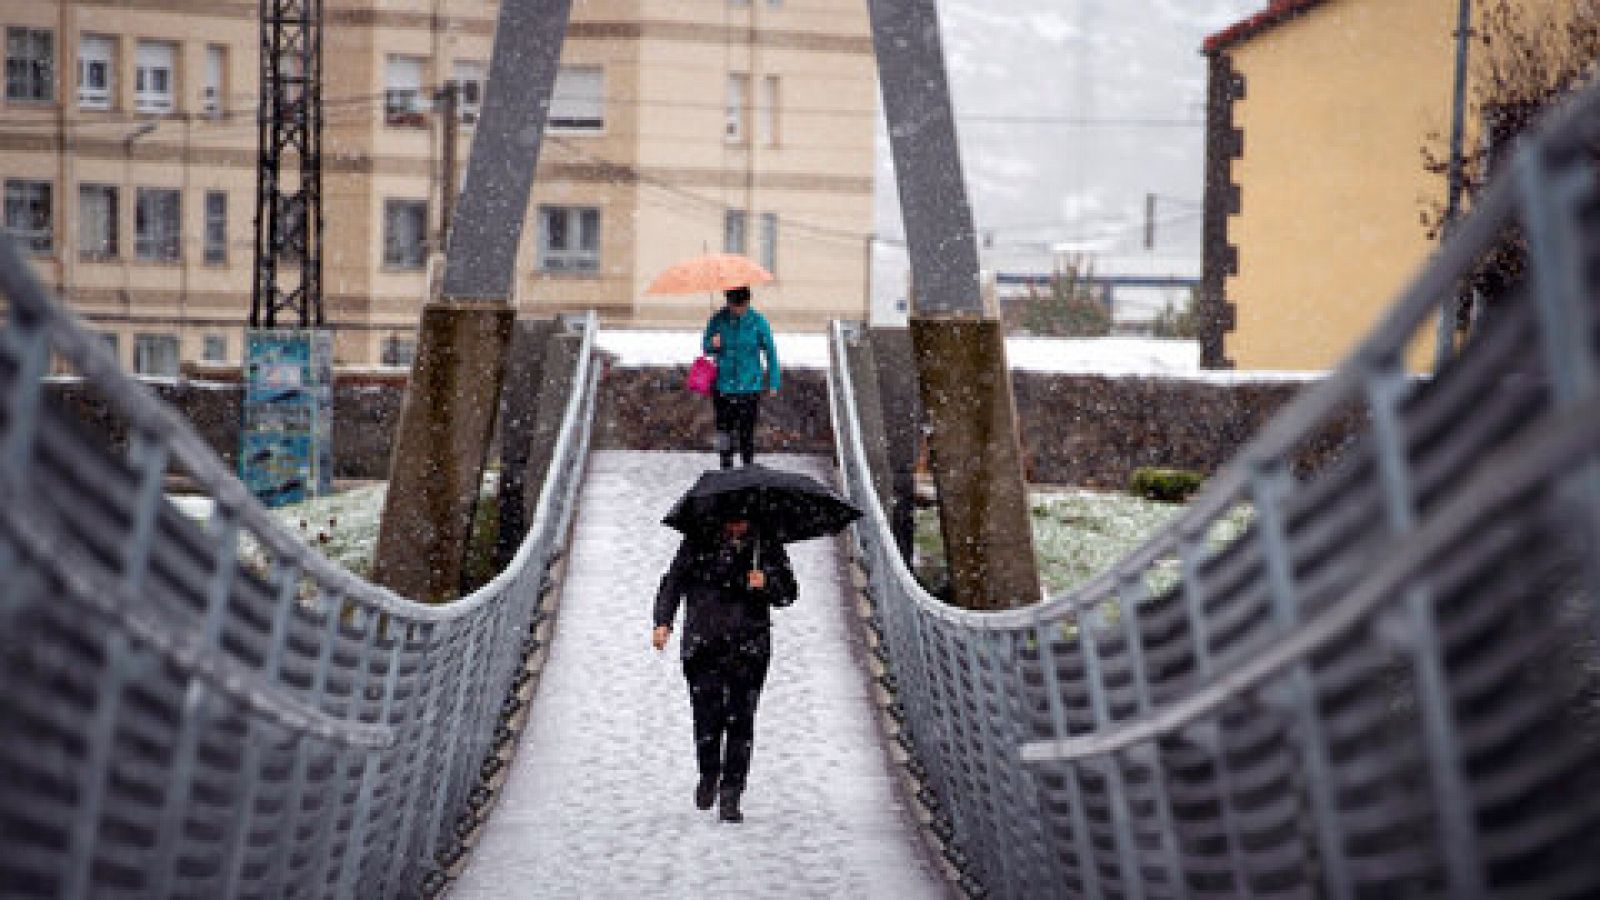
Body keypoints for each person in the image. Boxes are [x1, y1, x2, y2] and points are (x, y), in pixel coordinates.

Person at [652, 516, 796, 823]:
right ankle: (709, 773)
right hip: (703, 642)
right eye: (731, 522)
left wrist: (767, 583)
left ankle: (731, 793)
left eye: (742, 522)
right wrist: (663, 621)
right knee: (707, 715)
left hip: (749, 646)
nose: (736, 528)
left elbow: (788, 593)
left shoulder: (765, 545)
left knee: (741, 720)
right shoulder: (697, 540)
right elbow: (674, 581)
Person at [703, 286, 781, 469]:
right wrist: (712, 344)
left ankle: (748, 468)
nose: (738, 310)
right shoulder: (718, 320)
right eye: (734, 306)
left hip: (749, 387)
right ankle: (725, 467)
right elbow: (706, 347)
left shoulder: (758, 321)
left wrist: (774, 381)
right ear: (728, 302)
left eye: (742, 306)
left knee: (747, 433)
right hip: (723, 386)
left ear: (747, 302)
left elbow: (770, 352)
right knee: (724, 432)